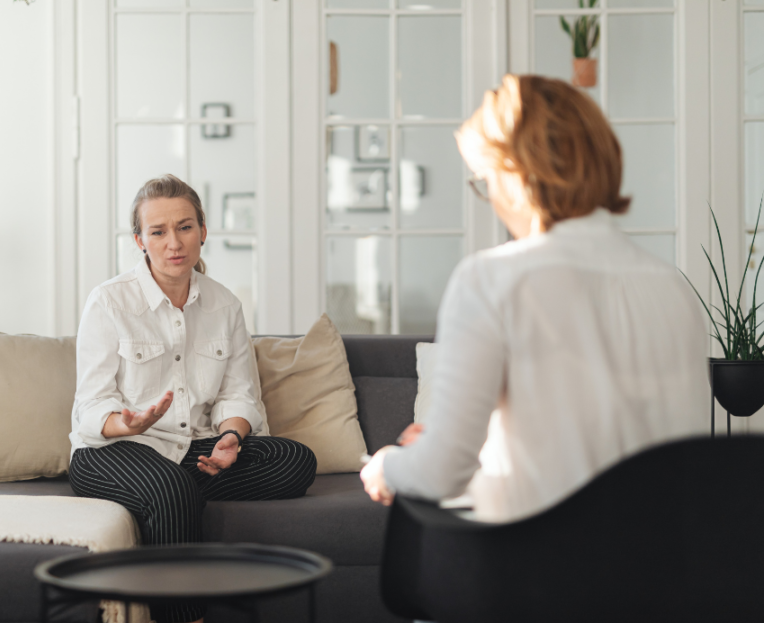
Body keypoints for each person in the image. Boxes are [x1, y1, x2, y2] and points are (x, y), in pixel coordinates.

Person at [360, 74, 708, 522]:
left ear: (516, 175)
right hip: (672, 574)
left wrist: (388, 465)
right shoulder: (674, 288)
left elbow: (440, 473)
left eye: (486, 180)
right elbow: (618, 443)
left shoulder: (491, 278)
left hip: (542, 573)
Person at [69, 174, 317, 623]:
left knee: (294, 460)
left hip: (191, 451)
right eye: (158, 231)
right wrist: (129, 424)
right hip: (112, 450)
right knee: (171, 486)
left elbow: (239, 393)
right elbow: (91, 406)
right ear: (140, 240)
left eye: (184, 227)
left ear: (203, 230)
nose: (173, 243)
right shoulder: (108, 302)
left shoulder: (225, 305)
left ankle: (166, 505)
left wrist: (231, 438)